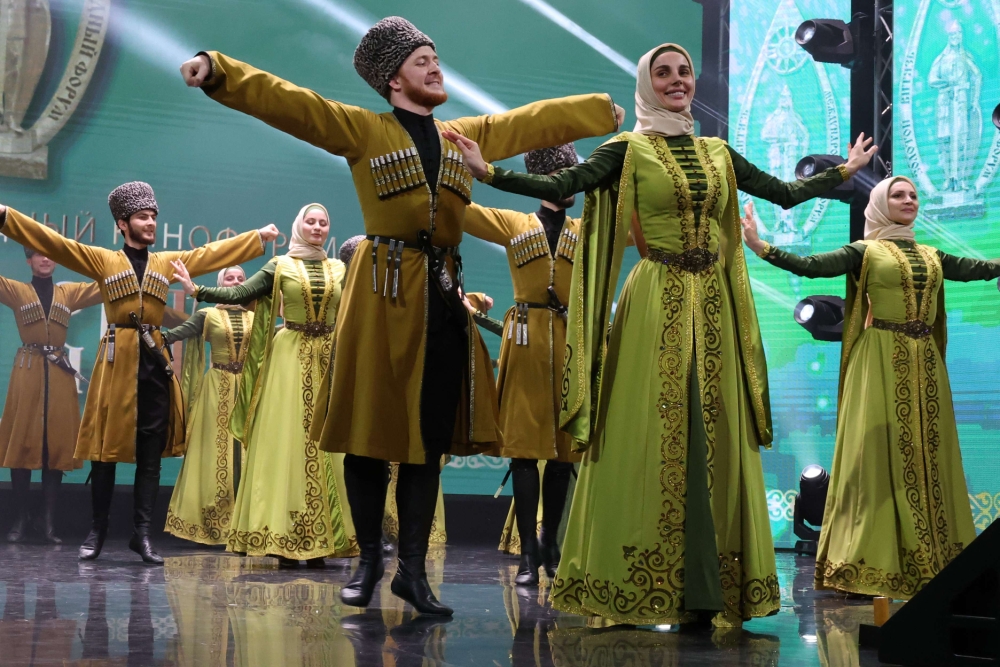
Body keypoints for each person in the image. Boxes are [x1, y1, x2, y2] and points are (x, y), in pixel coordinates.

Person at [179, 16, 623, 615]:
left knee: (428, 441)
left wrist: (596, 112)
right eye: (422, 61)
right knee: (369, 436)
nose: (436, 68)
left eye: (436, 59)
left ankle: (412, 572)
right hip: (383, 294)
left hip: (441, 296)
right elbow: (293, 105)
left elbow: (527, 122)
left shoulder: (464, 136)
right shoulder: (366, 130)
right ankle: (369, 560)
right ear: (393, 78)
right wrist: (219, 71)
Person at [445, 43, 876, 626]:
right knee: (648, 428)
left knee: (712, 430)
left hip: (713, 304)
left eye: (684, 72)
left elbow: (781, 191)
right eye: (663, 73)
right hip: (655, 299)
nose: (677, 81)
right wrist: (488, 171)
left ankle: (705, 584)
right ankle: (638, 579)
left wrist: (842, 172)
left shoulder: (717, 152)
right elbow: (571, 178)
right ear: (647, 84)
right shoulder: (627, 148)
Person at [741, 176, 1000, 599]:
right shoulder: (866, 251)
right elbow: (811, 265)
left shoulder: (932, 255)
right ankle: (870, 561)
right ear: (880, 203)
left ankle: (932, 557)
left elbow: (977, 270)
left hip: (925, 363)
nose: (909, 200)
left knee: (926, 453)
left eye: (913, 195)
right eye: (898, 194)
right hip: (879, 358)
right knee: (877, 456)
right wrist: (759, 245)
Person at [0, 182, 277, 564]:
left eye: (153, 217)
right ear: (122, 223)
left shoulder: (165, 262)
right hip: (117, 361)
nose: (150, 223)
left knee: (150, 453)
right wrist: (7, 217)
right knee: (104, 452)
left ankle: (141, 535)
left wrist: (256, 238)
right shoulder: (104, 260)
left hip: (154, 362)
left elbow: (208, 254)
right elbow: (56, 243)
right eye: (143, 217)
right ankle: (97, 530)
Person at [171, 204, 357, 568]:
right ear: (298, 226)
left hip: (327, 359)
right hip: (289, 359)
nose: (317, 227)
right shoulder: (281, 265)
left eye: (323, 222)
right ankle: (284, 536)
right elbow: (243, 293)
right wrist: (198, 290)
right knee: (288, 443)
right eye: (310, 221)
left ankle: (325, 539)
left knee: (328, 444)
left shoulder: (339, 268)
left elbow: (358, 306)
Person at [463, 143, 584, 586]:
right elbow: (463, 212)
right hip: (526, 338)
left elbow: (633, 227)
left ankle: (550, 541)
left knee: (563, 451)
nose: (573, 182)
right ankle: (528, 550)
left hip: (568, 339)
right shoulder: (514, 224)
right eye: (565, 172)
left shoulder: (587, 229)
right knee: (524, 450)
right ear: (544, 179)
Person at [0, 249, 103, 543]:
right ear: (28, 260)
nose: (45, 259)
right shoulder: (17, 290)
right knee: (22, 443)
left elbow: (104, 286)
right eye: (37, 255)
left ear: (56, 260)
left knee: (55, 446)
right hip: (27, 369)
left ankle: (47, 522)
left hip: (59, 373)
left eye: (50, 255)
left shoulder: (68, 293)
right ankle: (20, 518)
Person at [161, 266, 253, 546]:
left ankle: (245, 524)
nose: (235, 282)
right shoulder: (207, 315)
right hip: (216, 388)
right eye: (229, 278)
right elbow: (174, 335)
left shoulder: (256, 317)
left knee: (247, 452)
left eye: (240, 279)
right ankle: (212, 522)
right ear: (219, 284)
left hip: (248, 389)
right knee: (215, 451)